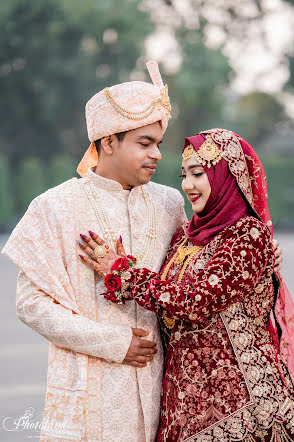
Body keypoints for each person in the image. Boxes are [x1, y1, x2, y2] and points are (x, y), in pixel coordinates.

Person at [1, 61, 188, 441]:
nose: (157, 155)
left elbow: (194, 271)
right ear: (108, 142)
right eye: (144, 143)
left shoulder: (170, 204)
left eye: (158, 144)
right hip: (88, 388)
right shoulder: (54, 207)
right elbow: (30, 304)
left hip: (162, 391)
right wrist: (113, 343)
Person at [79, 128, 294, 442]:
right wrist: (116, 273)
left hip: (242, 407)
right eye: (184, 175)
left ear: (227, 176)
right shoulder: (185, 237)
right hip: (184, 403)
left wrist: (126, 273)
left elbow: (196, 301)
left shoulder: (247, 236)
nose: (188, 185)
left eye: (198, 173)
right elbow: (162, 293)